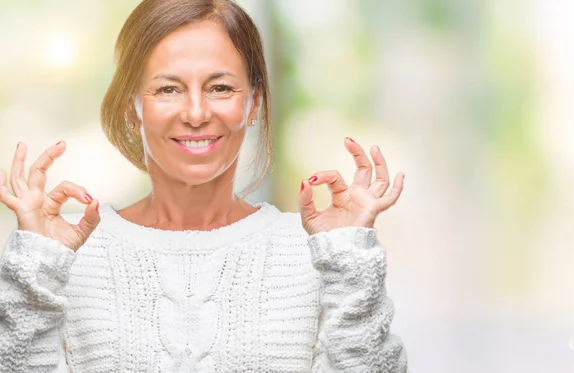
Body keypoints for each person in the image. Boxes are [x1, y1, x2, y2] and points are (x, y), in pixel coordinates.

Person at [0, 0, 409, 372]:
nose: (196, 113)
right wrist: (37, 266)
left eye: (220, 88)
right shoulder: (66, 253)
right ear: (132, 108)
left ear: (253, 103)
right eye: (168, 89)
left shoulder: (317, 251)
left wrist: (349, 260)